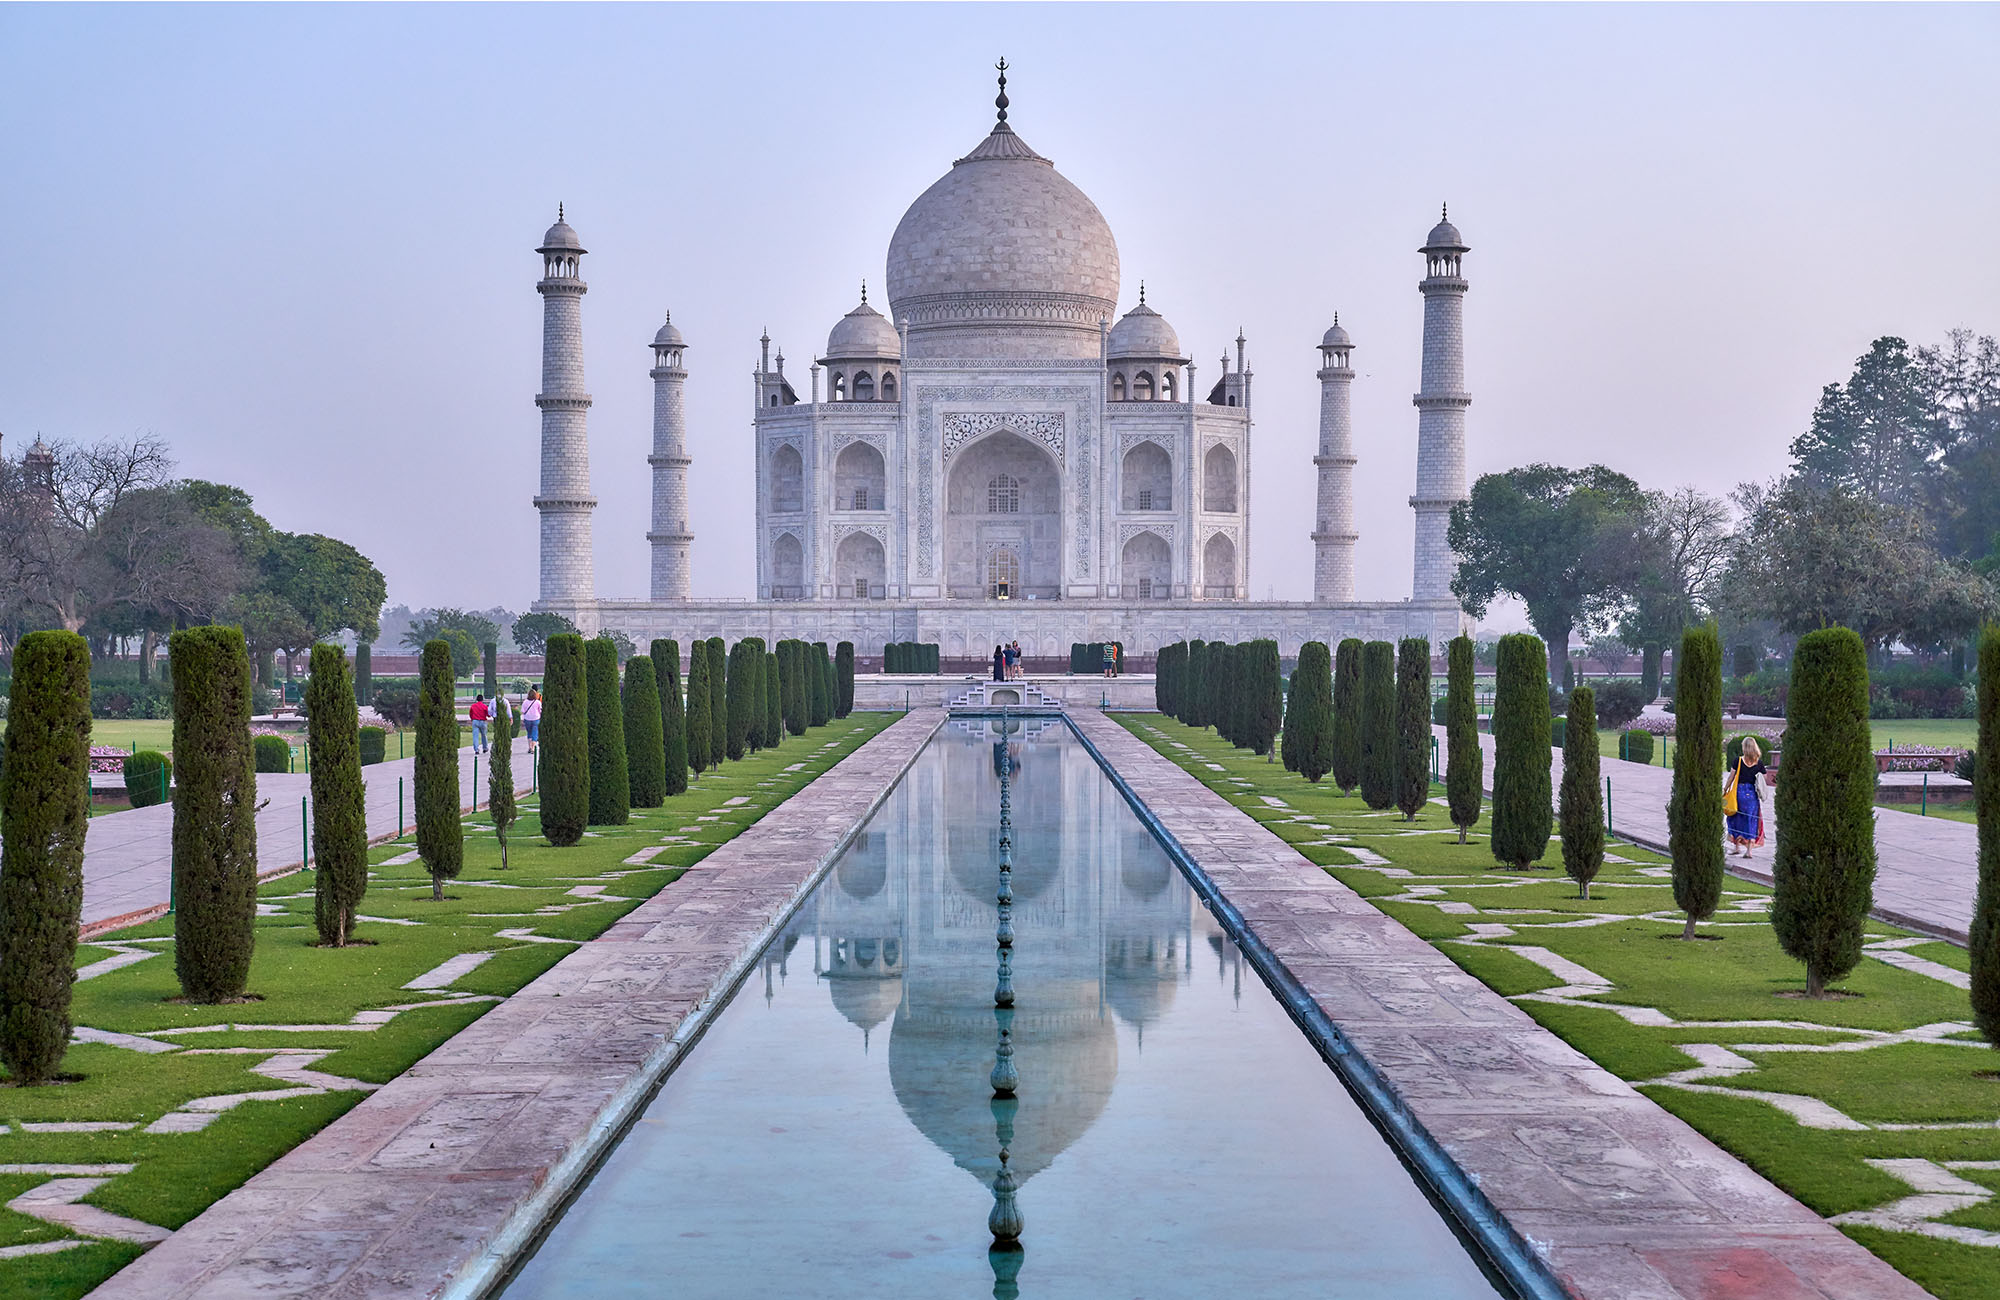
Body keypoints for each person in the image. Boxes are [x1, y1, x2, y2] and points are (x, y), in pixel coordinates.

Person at [1725, 736, 1769, 858]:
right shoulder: (1759, 763)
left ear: (1744, 748)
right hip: (1752, 796)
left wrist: (1725, 789)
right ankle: (1749, 851)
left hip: (1738, 793)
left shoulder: (1738, 761)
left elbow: (1731, 777)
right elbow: (1764, 779)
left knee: (1735, 818)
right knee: (1751, 820)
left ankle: (1736, 847)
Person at [521, 687, 543, 752]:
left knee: (529, 733)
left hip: (527, 719)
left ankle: (530, 747)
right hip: (536, 718)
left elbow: (522, 711)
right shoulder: (537, 702)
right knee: (535, 733)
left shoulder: (525, 702)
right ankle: (533, 748)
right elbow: (540, 711)